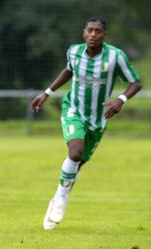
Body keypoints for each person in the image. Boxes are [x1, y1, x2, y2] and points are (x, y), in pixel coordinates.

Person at [29, 17, 142, 231]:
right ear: (84, 32)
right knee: (75, 153)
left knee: (77, 164)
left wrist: (121, 99)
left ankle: (56, 198)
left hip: (98, 119)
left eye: (97, 31)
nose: (92, 34)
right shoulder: (74, 51)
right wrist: (47, 93)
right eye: (89, 30)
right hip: (73, 110)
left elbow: (136, 82)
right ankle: (62, 199)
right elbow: (69, 70)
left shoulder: (115, 56)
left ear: (104, 35)